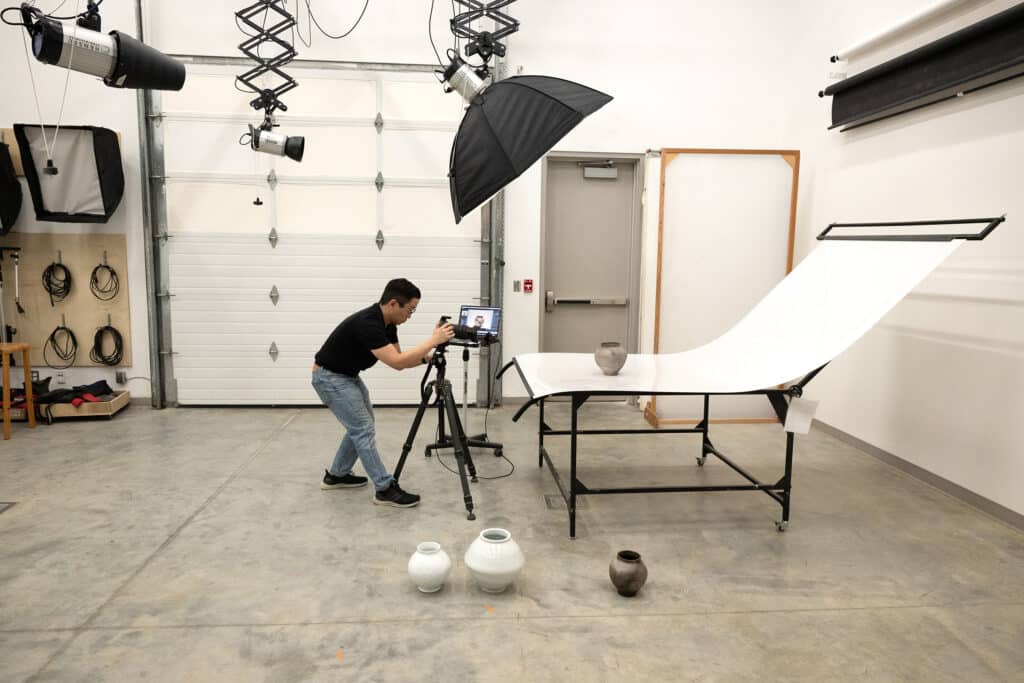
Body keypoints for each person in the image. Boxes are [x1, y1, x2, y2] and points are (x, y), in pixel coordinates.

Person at [312, 278, 454, 508]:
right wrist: (432, 340)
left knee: (361, 425)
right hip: (329, 378)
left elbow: (399, 361)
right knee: (362, 428)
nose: (410, 315)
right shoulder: (369, 324)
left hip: (346, 375)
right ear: (393, 304)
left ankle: (337, 475)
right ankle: (384, 488)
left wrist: (428, 356)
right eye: (410, 310)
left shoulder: (389, 325)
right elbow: (398, 361)